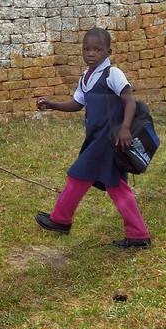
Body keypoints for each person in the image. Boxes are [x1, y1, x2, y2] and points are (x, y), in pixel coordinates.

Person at [32, 27, 153, 249]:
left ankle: (61, 219)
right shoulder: (86, 76)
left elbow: (129, 100)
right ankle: (137, 234)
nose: (91, 54)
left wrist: (125, 128)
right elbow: (78, 103)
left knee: (78, 176)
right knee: (112, 185)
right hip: (96, 139)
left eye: (97, 49)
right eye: (86, 49)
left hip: (109, 141)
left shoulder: (112, 74)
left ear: (108, 51)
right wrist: (53, 105)